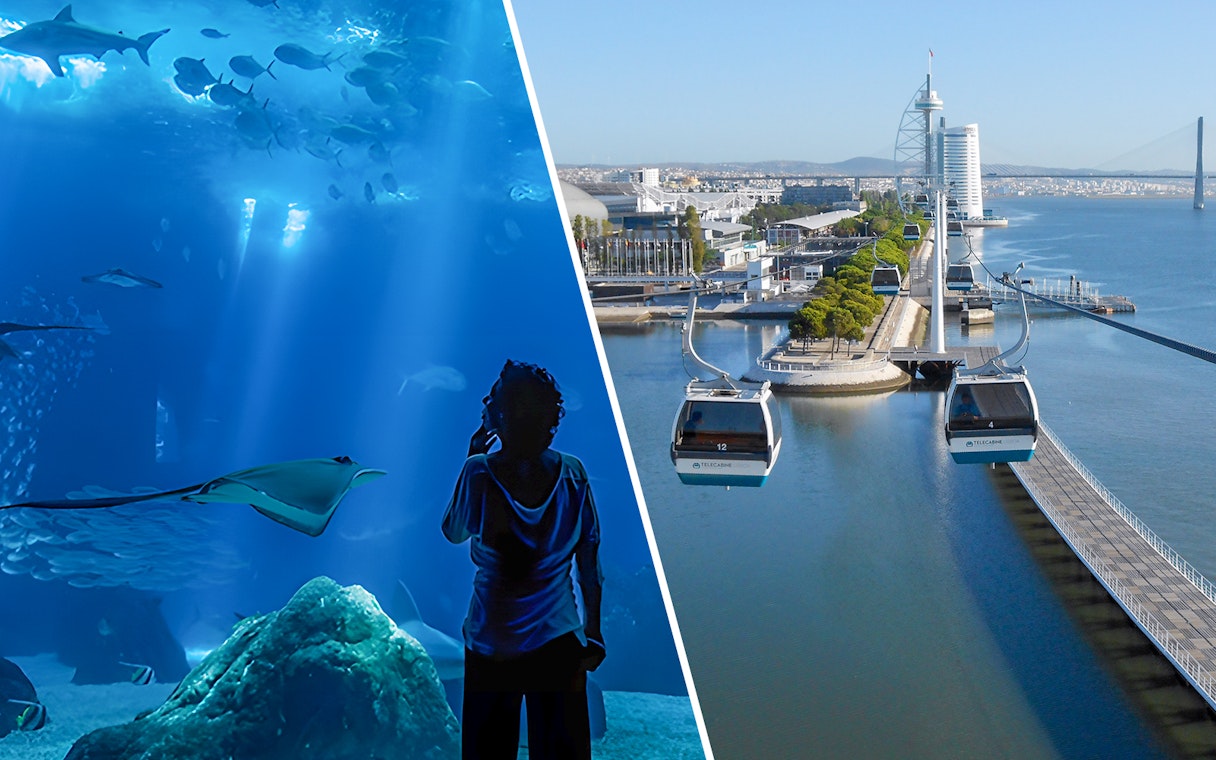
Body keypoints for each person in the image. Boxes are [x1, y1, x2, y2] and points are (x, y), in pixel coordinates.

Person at [442, 360, 604, 760]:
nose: (484, 399)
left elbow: (453, 532)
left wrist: (471, 456)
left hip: (491, 643)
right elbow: (588, 564)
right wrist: (594, 632)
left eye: (493, 394)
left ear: (503, 413)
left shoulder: (479, 472)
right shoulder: (573, 474)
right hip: (561, 642)